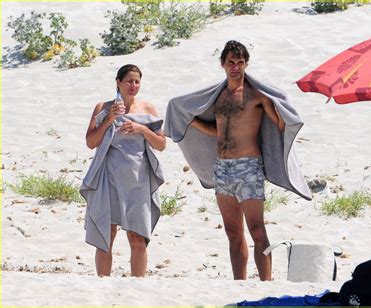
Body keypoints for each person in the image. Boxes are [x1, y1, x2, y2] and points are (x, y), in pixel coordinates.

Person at [164, 41, 311, 281]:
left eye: (240, 63)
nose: (235, 67)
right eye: (231, 63)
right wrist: (192, 123)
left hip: (248, 167)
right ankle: (239, 284)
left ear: (246, 64)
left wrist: (285, 115)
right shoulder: (218, 96)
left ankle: (266, 283)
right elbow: (220, 131)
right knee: (233, 232)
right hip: (222, 168)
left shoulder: (256, 95)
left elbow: (280, 124)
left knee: (256, 229)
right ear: (222, 64)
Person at [80, 64, 166, 277]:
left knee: (137, 237)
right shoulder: (103, 107)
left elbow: (161, 144)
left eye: (137, 81)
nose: (133, 86)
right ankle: (103, 283)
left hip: (138, 179)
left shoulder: (147, 109)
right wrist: (109, 118)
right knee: (106, 234)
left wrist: (143, 129)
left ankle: (138, 287)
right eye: (129, 81)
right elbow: (91, 142)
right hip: (108, 178)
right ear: (118, 82)